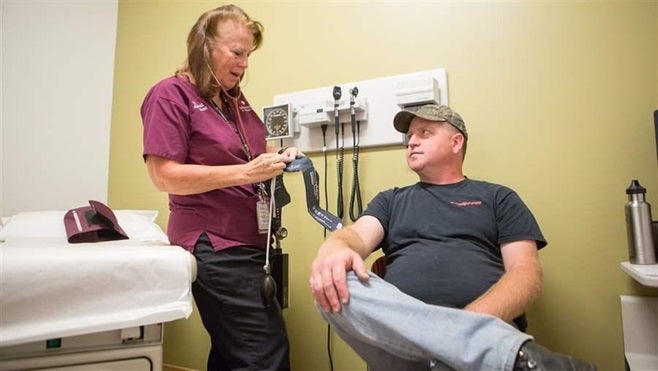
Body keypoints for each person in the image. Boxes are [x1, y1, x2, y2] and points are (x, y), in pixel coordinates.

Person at [309, 104, 597, 370]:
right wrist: (335, 247)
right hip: (400, 343)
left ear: (456, 142)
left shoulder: (498, 198)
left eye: (424, 133)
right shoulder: (391, 200)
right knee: (332, 277)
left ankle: (458, 350)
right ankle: (491, 355)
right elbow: (356, 236)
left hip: (483, 333)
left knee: (466, 347)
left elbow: (526, 273)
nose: (411, 142)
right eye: (409, 136)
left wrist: (463, 327)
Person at [141, 5, 299, 371]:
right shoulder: (170, 95)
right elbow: (164, 175)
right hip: (215, 244)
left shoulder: (233, 100)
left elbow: (255, 150)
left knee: (233, 354)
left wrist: (280, 155)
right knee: (265, 357)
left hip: (250, 245)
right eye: (237, 53)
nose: (244, 64)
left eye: (249, 55)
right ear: (204, 46)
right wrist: (247, 173)